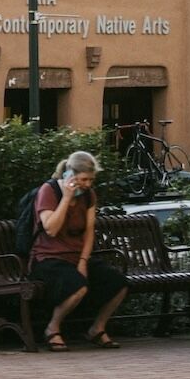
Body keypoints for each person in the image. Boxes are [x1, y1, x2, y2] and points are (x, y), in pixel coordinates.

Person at [30, 150, 128, 350]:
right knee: (78, 286)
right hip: (48, 258)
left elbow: (89, 231)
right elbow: (51, 229)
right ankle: (52, 328)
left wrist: (83, 261)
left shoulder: (88, 195)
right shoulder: (48, 191)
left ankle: (97, 328)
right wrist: (66, 198)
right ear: (69, 174)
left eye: (91, 180)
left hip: (75, 257)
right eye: (84, 179)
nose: (88, 184)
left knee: (119, 283)